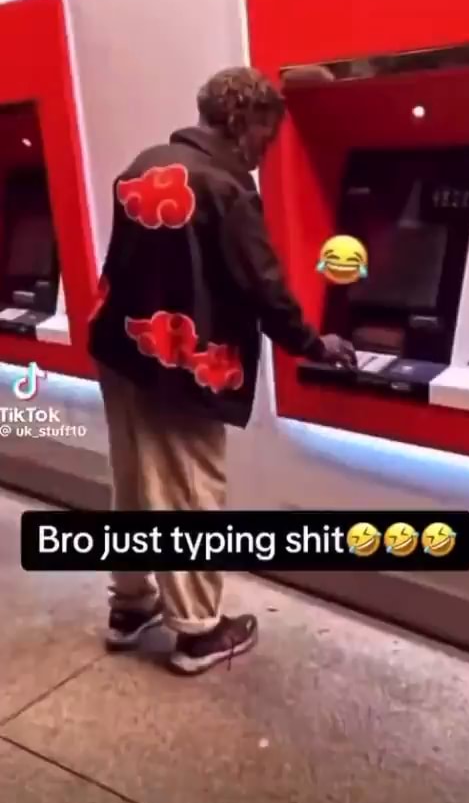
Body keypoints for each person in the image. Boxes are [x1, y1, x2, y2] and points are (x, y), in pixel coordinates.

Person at [88, 67, 356, 676]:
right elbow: (263, 286)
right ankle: (198, 631)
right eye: (266, 133)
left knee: (134, 484)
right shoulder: (225, 186)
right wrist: (313, 344)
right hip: (181, 359)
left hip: (121, 346)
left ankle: (130, 605)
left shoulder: (143, 164)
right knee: (188, 490)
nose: (268, 148)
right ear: (242, 121)